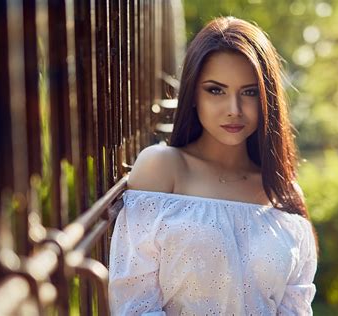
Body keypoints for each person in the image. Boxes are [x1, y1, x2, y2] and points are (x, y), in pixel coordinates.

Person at [109, 16, 318, 315]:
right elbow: (134, 303)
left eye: (250, 92)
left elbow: (294, 308)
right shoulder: (162, 168)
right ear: (193, 94)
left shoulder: (281, 192)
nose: (234, 110)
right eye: (216, 90)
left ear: (267, 99)